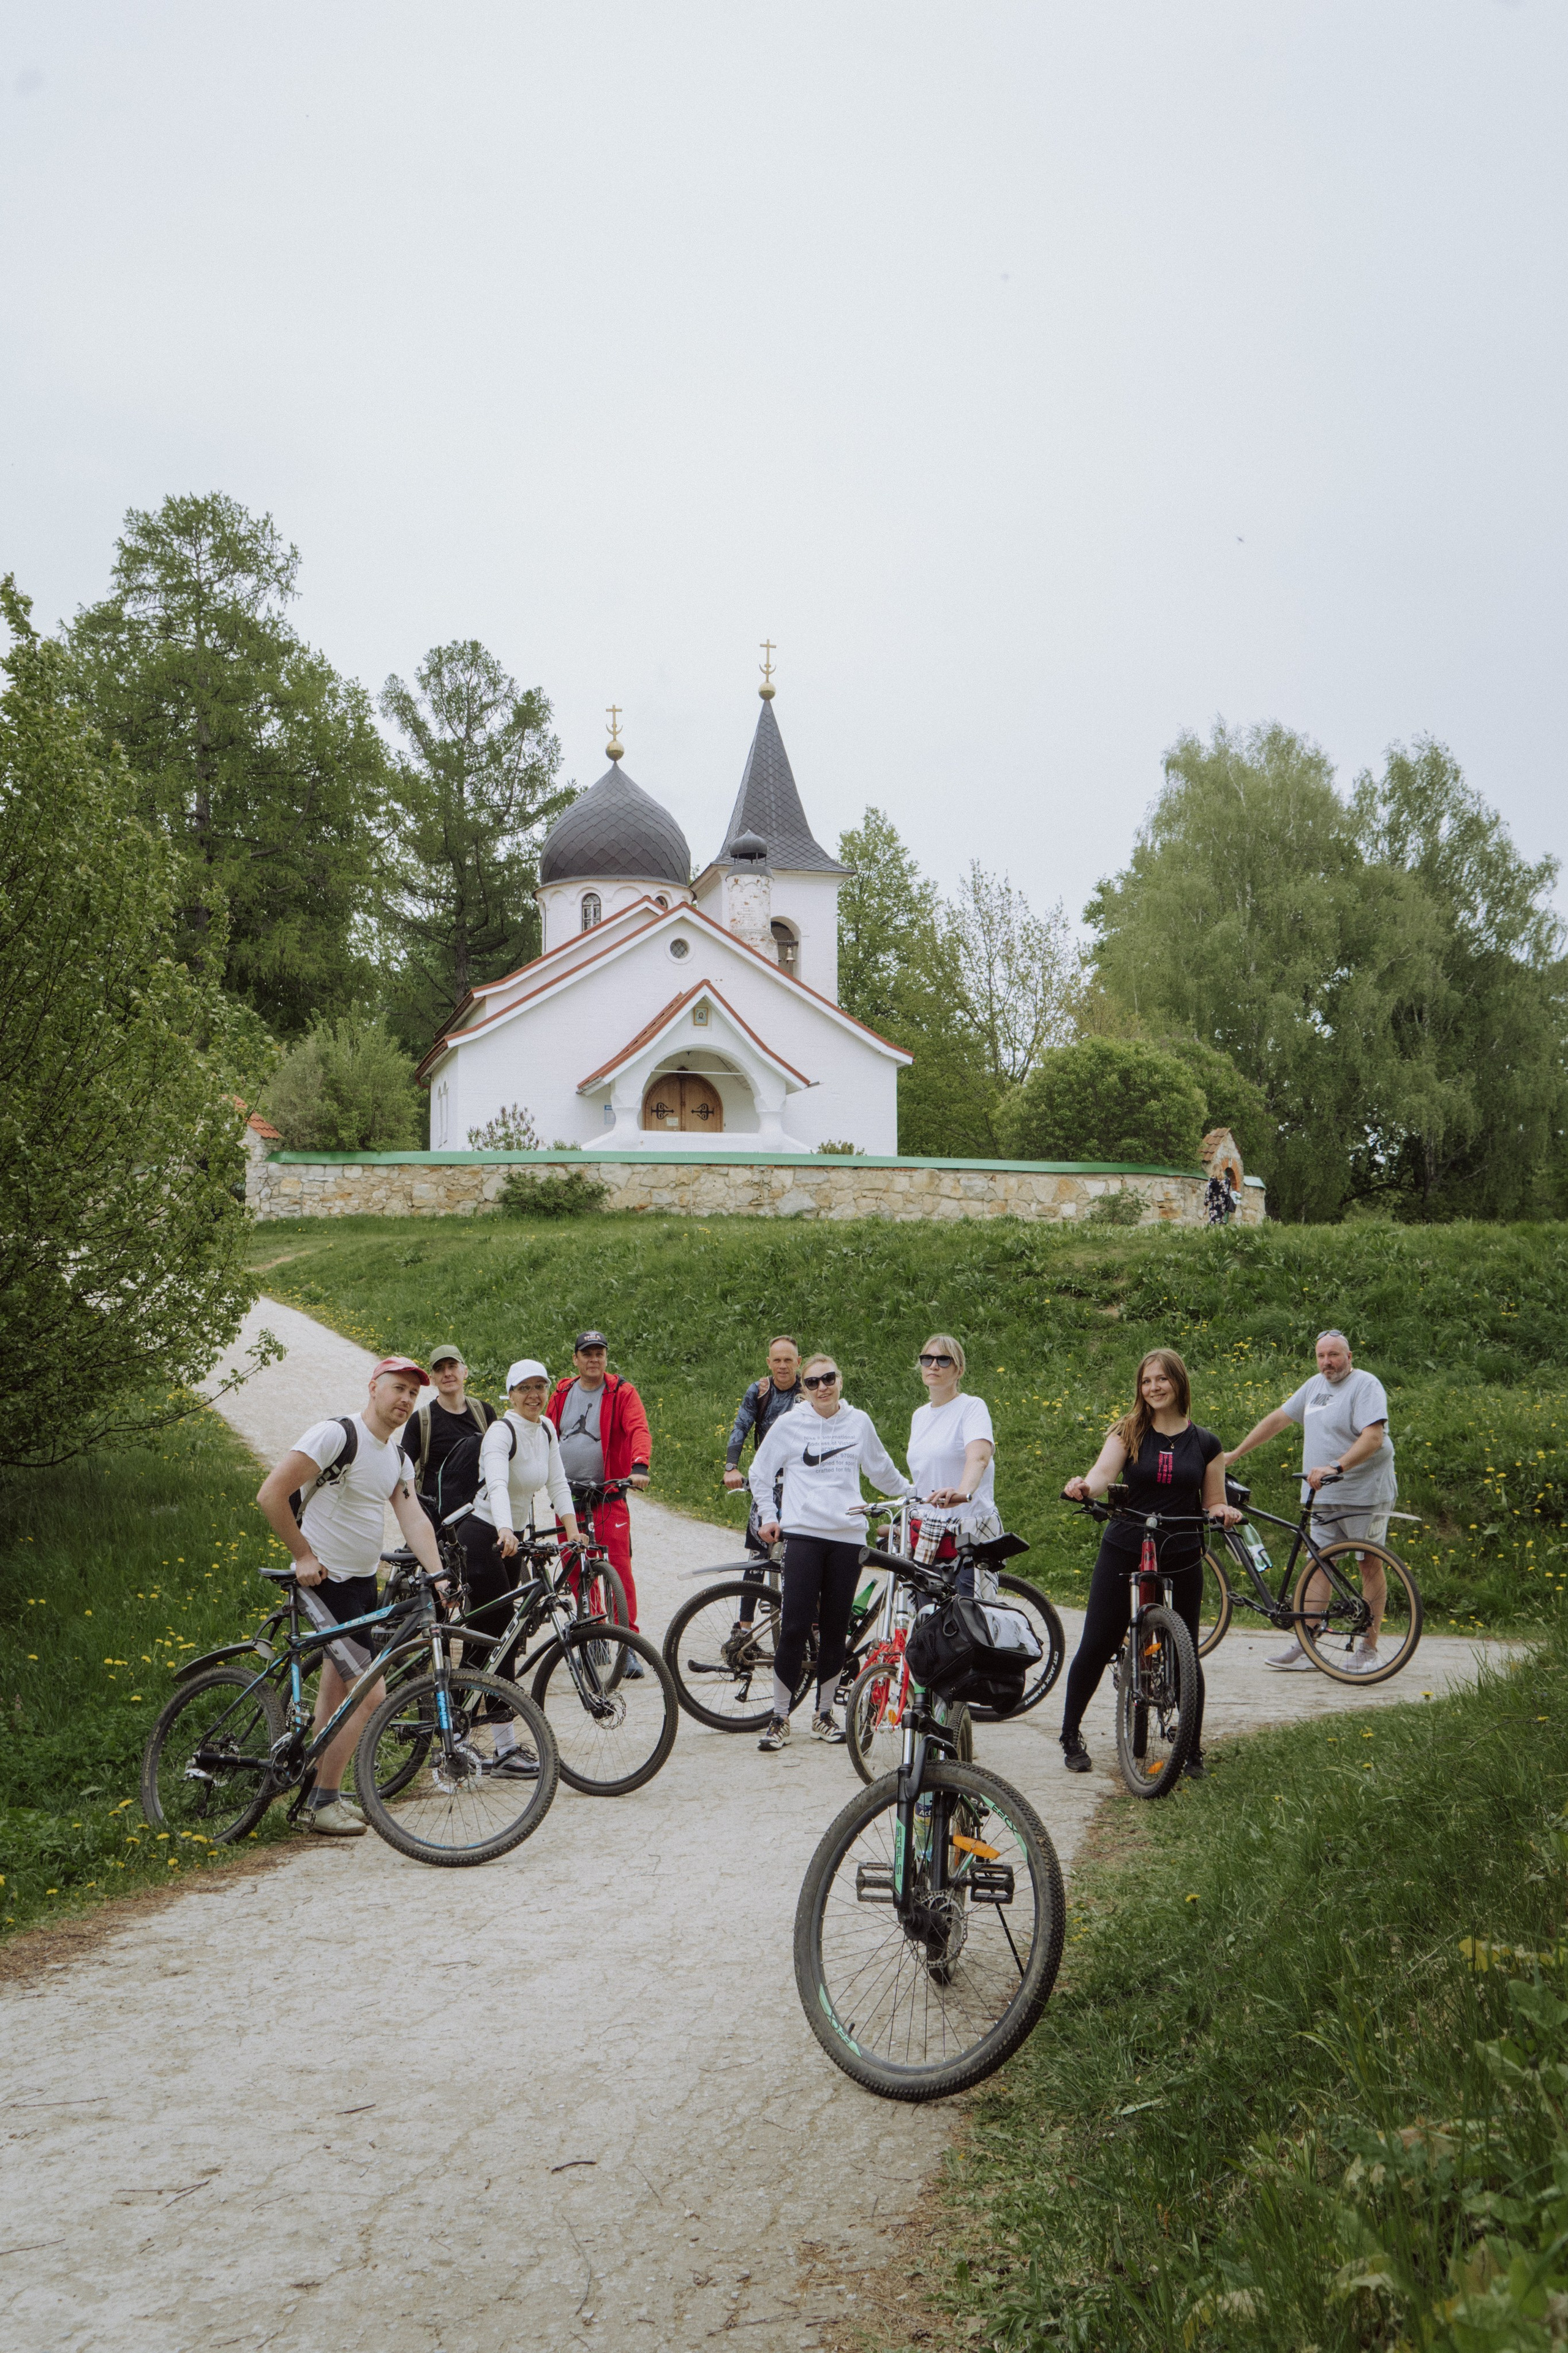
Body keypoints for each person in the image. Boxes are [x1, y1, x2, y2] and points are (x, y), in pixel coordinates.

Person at [254, 1356, 447, 1836]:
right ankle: (321, 1801)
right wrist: (301, 1554)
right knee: (370, 1692)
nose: (405, 1399)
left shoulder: (397, 1458)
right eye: (397, 1388)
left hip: (362, 1585)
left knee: (337, 1693)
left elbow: (414, 1521)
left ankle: (320, 1796)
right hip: (323, 1583)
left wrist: (441, 1576)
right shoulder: (337, 1435)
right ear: (373, 1388)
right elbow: (271, 1493)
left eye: (412, 1394)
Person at [1058, 1350, 1239, 1779]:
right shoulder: (1129, 1431)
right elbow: (1103, 1474)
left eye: (1162, 1379)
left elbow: (1214, 1499)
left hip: (1181, 1546)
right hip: (1127, 1542)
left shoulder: (1206, 1443)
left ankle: (1190, 1747)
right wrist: (1086, 1486)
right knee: (1098, 1641)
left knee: (1185, 1650)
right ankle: (1070, 1733)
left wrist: (1223, 1512)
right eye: (1146, 1381)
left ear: (1179, 1382)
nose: (1154, 1387)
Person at [749, 1354, 907, 1752]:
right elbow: (759, 1472)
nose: (823, 1387)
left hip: (848, 1536)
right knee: (796, 1626)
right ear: (803, 1388)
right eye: (814, 1381)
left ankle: (823, 1715)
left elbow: (882, 1470)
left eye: (829, 1378)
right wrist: (769, 1515)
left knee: (837, 1628)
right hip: (803, 1534)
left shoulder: (858, 1422)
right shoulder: (790, 1424)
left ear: (840, 1379)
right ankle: (779, 1717)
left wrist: (916, 1494)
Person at [1223, 1328, 1397, 1674]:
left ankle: (1368, 1648)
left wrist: (1337, 1465)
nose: (1327, 1362)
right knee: (1319, 1563)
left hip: (1365, 1493)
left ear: (1349, 1357)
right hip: (1323, 1493)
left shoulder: (1365, 1385)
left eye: (1334, 1355)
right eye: (1321, 1356)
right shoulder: (1314, 1387)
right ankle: (1309, 1645)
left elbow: (1374, 1438)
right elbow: (1278, 1419)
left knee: (1368, 1563)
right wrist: (1235, 1454)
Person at [455, 1359, 582, 1772]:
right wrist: (506, 1530)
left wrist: (572, 1531)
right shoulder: (501, 1431)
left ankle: (503, 1746)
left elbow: (558, 1483)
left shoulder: (545, 1429)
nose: (533, 1395)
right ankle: (456, 1736)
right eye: (524, 1388)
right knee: (489, 1635)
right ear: (510, 1393)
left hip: (511, 1541)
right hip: (483, 1534)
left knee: (504, 1637)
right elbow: (496, 1482)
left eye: (540, 1387)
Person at [548, 1331, 651, 1671]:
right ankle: (594, 1638)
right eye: (587, 1353)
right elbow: (545, 1431)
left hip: (608, 1496)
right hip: (569, 1497)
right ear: (576, 1359)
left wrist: (639, 1466)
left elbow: (638, 1429)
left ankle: (628, 1645)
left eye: (600, 1353)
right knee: (576, 1568)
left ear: (606, 1358)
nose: (594, 1359)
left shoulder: (621, 1391)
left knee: (618, 1569)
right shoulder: (562, 1393)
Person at [723, 1335, 805, 1626]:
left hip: (802, 1484)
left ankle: (813, 1627)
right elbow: (741, 1426)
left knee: (809, 1555)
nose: (783, 1366)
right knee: (757, 1556)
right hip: (768, 1481)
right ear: (769, 1363)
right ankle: (744, 1629)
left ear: (799, 1362)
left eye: (788, 1360)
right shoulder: (760, 1391)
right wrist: (732, 1467)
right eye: (777, 1360)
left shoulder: (809, 1390)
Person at [906, 1332, 998, 1588]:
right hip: (928, 1530)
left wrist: (963, 1492)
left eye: (944, 1360)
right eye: (927, 1359)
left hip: (967, 1532)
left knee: (965, 1615)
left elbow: (979, 1457)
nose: (934, 1365)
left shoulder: (972, 1408)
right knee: (927, 1616)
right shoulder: (920, 1416)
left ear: (959, 1370)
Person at [400, 1345, 497, 1518]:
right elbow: (402, 1473)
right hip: (436, 1515)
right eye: (439, 1369)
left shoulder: (485, 1413)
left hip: (479, 1514)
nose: (447, 1374)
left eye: (452, 1366)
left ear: (465, 1372)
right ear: (432, 1379)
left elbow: (500, 1460)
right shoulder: (421, 1421)